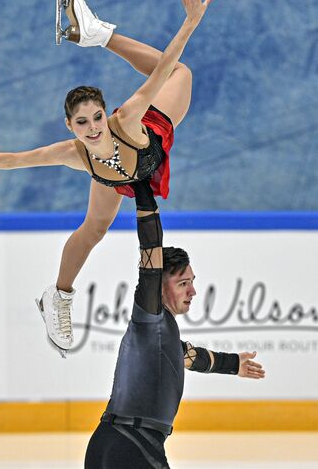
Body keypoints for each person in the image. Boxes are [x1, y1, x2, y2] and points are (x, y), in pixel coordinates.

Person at [0, 0, 212, 353]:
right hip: (116, 174)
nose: (92, 128)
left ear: (107, 114)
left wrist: (189, 23)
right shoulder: (74, 152)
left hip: (152, 137)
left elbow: (162, 68)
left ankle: (98, 34)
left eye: (96, 117)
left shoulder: (128, 118)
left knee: (179, 72)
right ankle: (57, 297)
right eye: (82, 122)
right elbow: (13, 161)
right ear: (70, 126)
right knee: (94, 229)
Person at [84, 179, 265, 468]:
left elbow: (188, 356)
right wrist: (143, 190)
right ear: (158, 287)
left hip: (110, 441)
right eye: (182, 283)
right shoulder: (149, 317)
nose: (192, 291)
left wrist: (233, 364)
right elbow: (150, 251)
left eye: (192, 282)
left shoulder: (158, 336)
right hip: (134, 445)